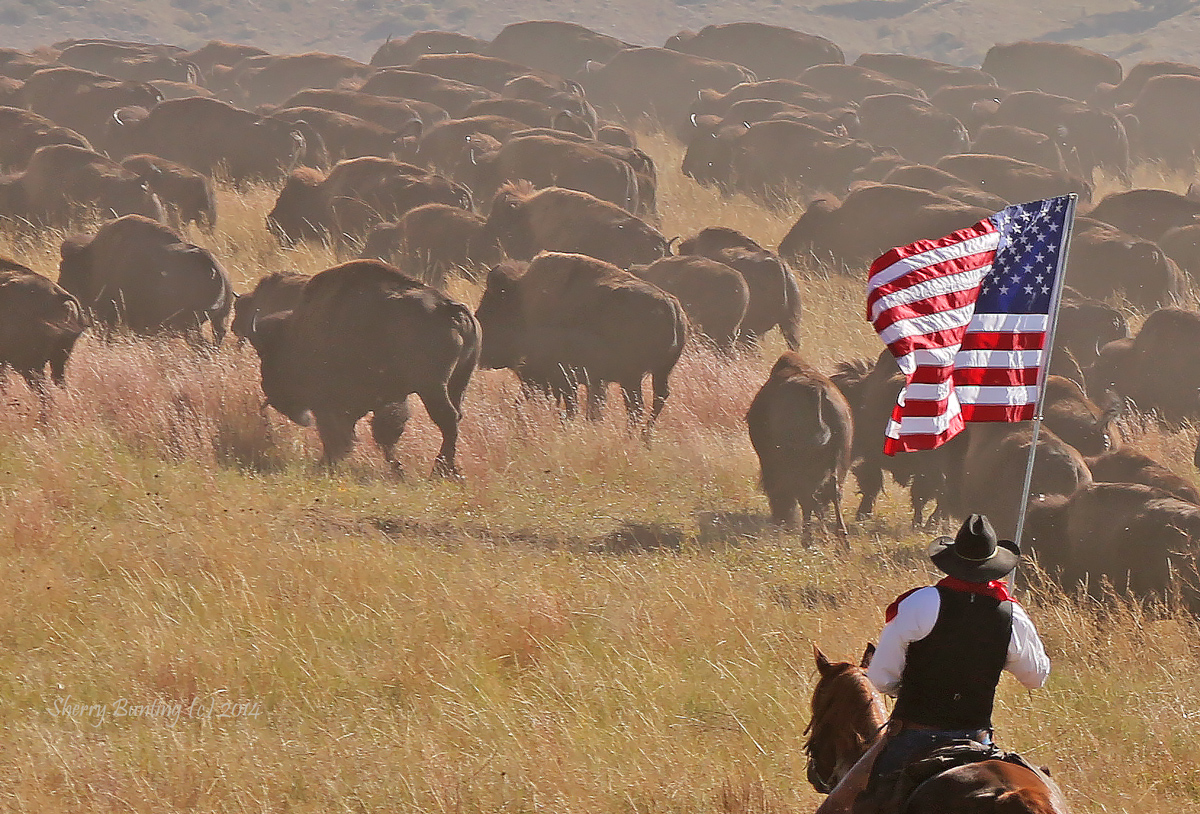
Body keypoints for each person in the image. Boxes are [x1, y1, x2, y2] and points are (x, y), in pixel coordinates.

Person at [815, 514, 1051, 814]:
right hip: (977, 739)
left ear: (952, 561)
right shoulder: (1012, 616)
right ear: (995, 565)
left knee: (835, 808)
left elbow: (881, 679)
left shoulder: (919, 603)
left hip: (910, 737)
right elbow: (1036, 677)